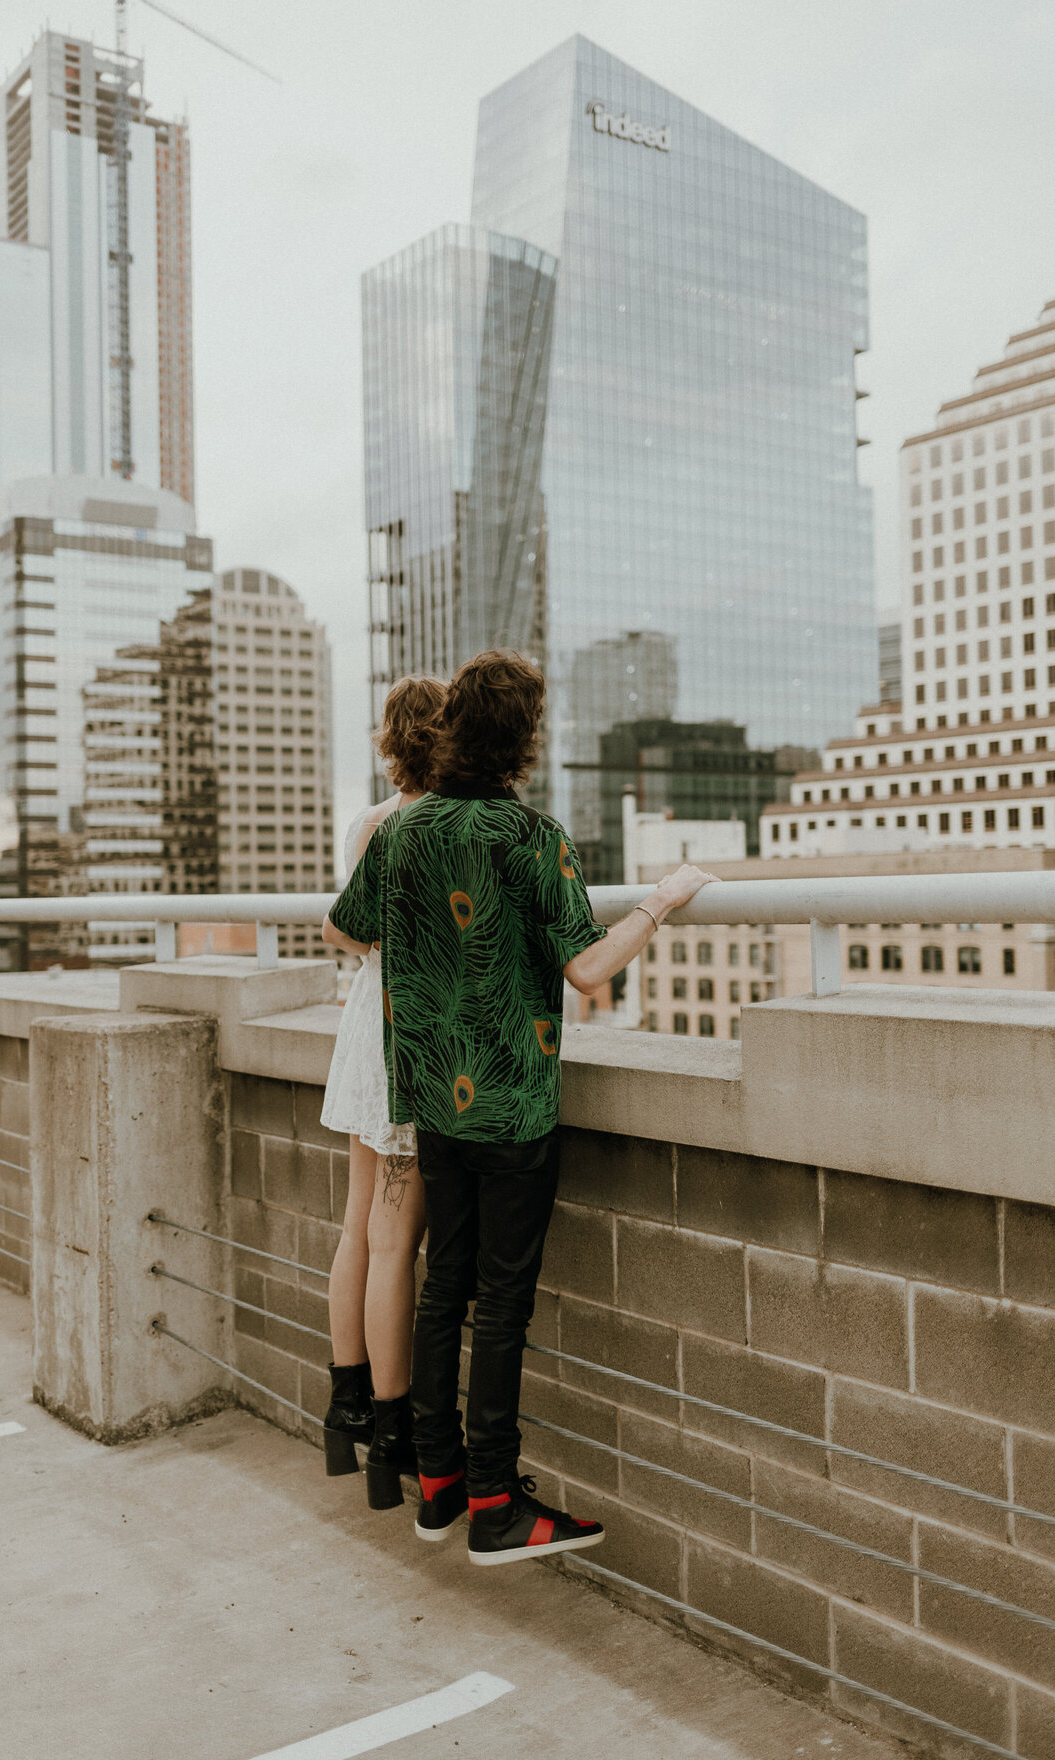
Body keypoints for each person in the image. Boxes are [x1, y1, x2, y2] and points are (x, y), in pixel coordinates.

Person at [326, 649, 715, 1565]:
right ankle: (498, 1505)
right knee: (499, 1305)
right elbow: (586, 967)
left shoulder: (405, 831)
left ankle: (440, 1488)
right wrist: (659, 903)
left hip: (432, 1100)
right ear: (525, 741)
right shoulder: (531, 834)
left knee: (443, 1290)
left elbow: (346, 928)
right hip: (513, 1106)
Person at [319, 674, 446, 1510]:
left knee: (359, 1225)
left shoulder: (370, 821)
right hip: (409, 1032)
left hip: (366, 1024)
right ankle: (393, 1436)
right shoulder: (435, 824)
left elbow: (338, 927)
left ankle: (346, 1405)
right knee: (399, 1241)